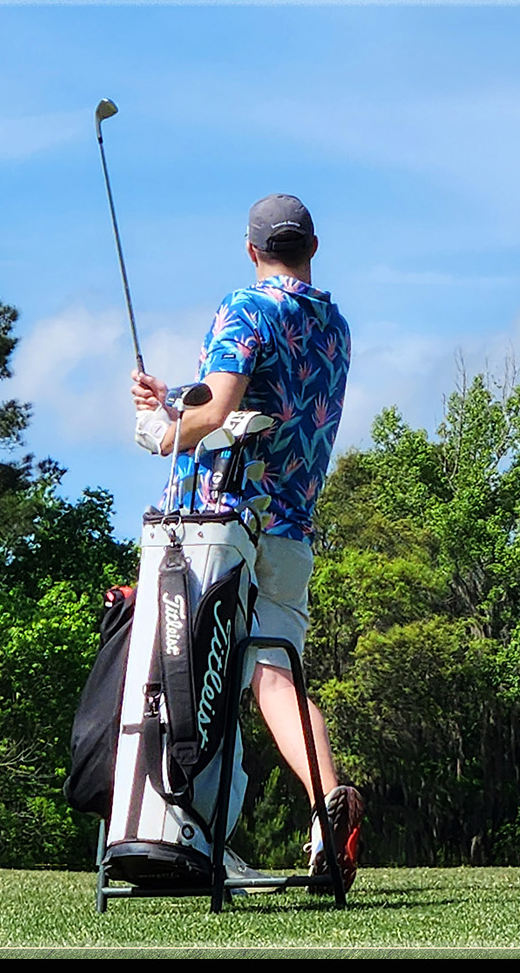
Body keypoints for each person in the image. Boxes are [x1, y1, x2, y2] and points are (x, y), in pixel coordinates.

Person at [129, 193, 364, 892]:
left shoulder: (245, 306)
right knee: (272, 676)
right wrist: (176, 396)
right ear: (312, 247)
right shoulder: (335, 324)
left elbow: (225, 406)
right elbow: (267, 401)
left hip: (223, 521)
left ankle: (186, 837)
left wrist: (163, 433)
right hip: (291, 528)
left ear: (251, 248)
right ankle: (327, 814)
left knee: (188, 677)